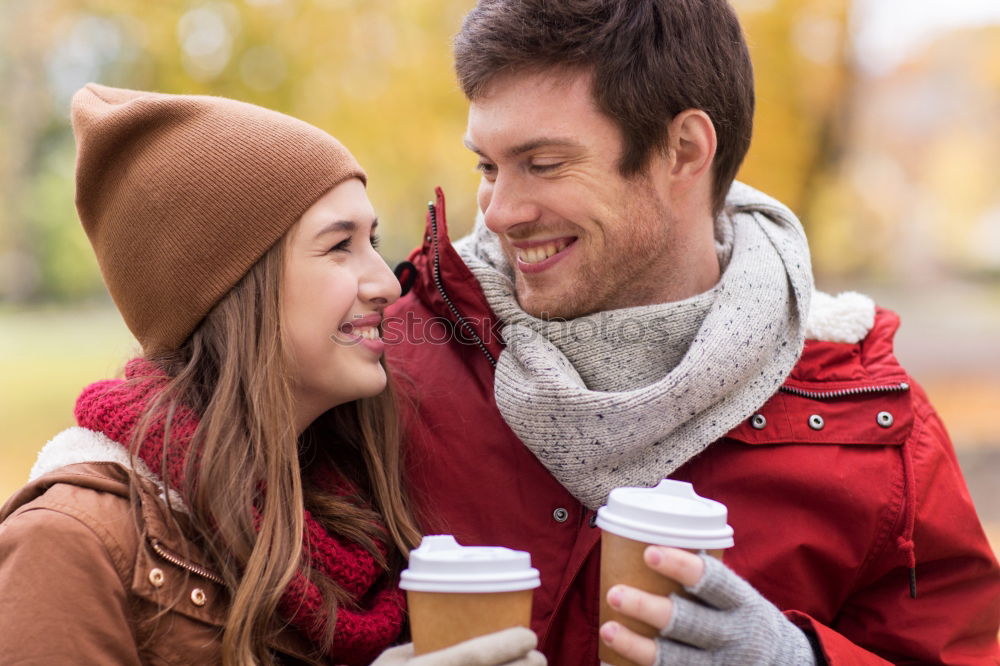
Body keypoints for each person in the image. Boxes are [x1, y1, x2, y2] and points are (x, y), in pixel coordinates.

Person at [381, 1, 1000, 664]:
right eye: (488, 167)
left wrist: (802, 661)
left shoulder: (875, 424)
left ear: (684, 151)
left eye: (544, 163)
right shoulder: (387, 370)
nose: (500, 213)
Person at [0, 85, 544, 666]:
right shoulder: (68, 544)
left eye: (373, 241)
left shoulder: (348, 514)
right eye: (340, 246)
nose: (387, 284)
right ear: (234, 290)